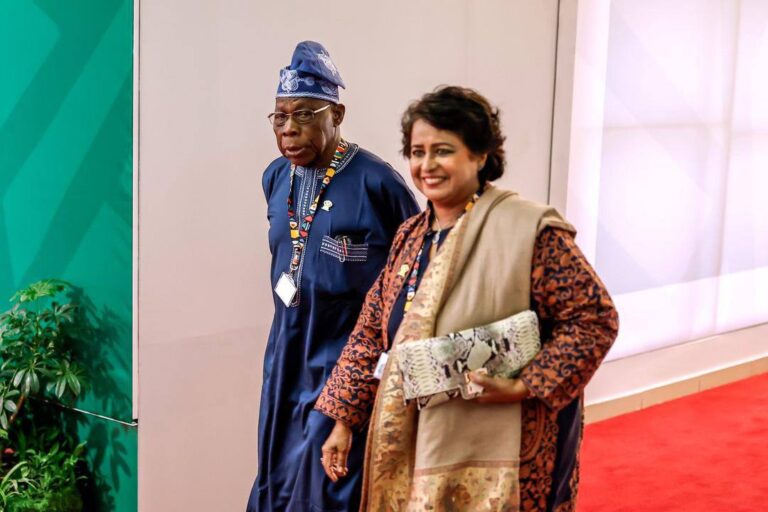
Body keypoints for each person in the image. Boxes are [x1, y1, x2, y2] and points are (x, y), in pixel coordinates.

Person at [315, 86, 619, 511]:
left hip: (508, 448)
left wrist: (525, 384)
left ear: (480, 155)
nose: (427, 165)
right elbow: (370, 332)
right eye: (417, 152)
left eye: (443, 151)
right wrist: (344, 419)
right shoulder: (411, 235)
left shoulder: (529, 231)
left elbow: (593, 319)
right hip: (418, 440)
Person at [246, 41, 419, 512]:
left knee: (327, 485)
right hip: (286, 355)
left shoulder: (377, 184)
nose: (288, 129)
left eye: (304, 115)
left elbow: (413, 278)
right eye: (280, 117)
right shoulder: (275, 178)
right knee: (276, 476)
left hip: (344, 361)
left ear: (337, 114)